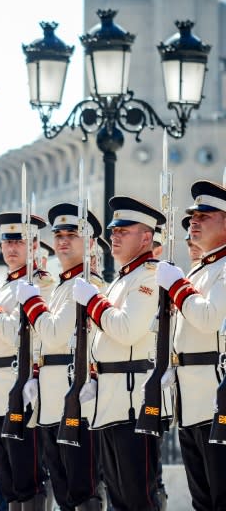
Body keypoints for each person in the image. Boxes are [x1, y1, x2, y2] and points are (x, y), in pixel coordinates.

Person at [72, 196, 169, 511]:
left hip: (133, 404)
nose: (114, 235)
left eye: (124, 230)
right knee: (118, 497)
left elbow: (128, 328)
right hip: (111, 401)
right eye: (114, 230)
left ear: (145, 237)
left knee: (138, 496)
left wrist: (93, 302)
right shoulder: (122, 280)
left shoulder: (149, 277)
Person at [16, 203, 105, 510]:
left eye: (73, 234)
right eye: (59, 235)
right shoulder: (61, 287)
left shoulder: (89, 285)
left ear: (90, 242)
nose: (63, 241)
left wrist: (31, 303)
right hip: (51, 399)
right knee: (63, 489)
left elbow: (53, 334)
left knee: (84, 489)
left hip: (75, 398)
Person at [0, 212, 53, 509]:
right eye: (7, 240)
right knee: (7, 480)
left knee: (26, 477)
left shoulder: (40, 284)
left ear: (35, 244)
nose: (12, 247)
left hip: (19, 389)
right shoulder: (4, 287)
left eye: (19, 241)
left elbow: (16, 332)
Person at [155, 181, 226, 510]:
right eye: (193, 215)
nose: (194, 221)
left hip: (215, 400)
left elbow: (210, 318)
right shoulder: (201, 272)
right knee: (202, 500)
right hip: (190, 401)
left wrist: (178, 288)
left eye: (205, 215)